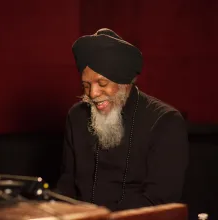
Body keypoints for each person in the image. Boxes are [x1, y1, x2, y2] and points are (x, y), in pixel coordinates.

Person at [56, 28, 189, 211]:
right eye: (86, 85)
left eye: (102, 84)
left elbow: (159, 202)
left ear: (124, 83)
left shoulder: (165, 122)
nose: (93, 94)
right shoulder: (76, 116)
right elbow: (66, 186)